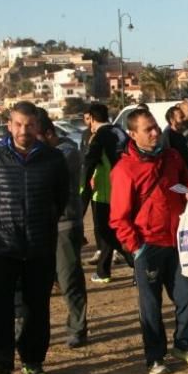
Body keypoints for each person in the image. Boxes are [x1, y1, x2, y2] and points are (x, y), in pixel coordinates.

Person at [0, 101, 69, 374]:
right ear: (9, 124)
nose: (23, 130)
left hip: (40, 246)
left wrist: (43, 226)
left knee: (37, 308)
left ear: (38, 126)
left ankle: (33, 362)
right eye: (18, 124)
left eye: (29, 125)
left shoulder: (53, 159)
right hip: (2, 248)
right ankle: (0, 368)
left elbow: (60, 199)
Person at [110, 109, 188, 374]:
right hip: (148, 245)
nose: (155, 133)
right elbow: (118, 217)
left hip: (178, 241)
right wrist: (137, 247)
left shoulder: (172, 157)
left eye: (155, 127)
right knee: (151, 305)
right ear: (133, 134)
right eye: (148, 129)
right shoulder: (124, 170)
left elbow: (185, 180)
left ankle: (186, 344)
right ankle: (155, 357)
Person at [35, 111, 88, 348]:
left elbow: (50, 169)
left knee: (70, 279)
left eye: (35, 136)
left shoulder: (68, 153)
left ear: (49, 134)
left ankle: (77, 327)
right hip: (38, 225)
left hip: (65, 224)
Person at [82, 102, 128, 283]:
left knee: (106, 231)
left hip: (105, 191)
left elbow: (88, 164)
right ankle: (103, 271)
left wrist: (83, 190)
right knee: (113, 230)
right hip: (124, 187)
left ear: (92, 118)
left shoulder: (99, 136)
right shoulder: (120, 132)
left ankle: (134, 260)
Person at [161, 105, 188, 169]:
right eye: (181, 117)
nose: (183, 120)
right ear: (172, 120)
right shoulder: (168, 135)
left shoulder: (181, 134)